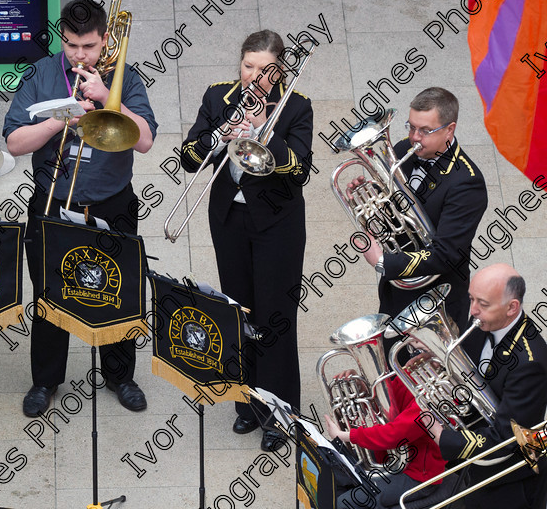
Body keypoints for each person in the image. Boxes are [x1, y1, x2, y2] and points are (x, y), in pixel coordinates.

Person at [3, 0, 157, 417]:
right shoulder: (41, 73)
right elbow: (13, 142)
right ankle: (45, 380)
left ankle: (120, 375)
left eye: (88, 46)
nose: (79, 55)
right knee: (49, 290)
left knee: (119, 289)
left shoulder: (126, 77)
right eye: (71, 45)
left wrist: (109, 98)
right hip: (52, 200)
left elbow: (144, 140)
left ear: (105, 40)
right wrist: (61, 120)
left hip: (112, 202)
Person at [180, 30, 313, 452]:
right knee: (239, 309)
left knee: (275, 313)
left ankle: (279, 409)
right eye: (248, 67)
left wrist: (263, 131)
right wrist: (220, 135)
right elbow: (187, 157)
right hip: (229, 217)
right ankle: (248, 401)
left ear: (281, 70)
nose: (254, 77)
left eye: (265, 70)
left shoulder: (297, 106)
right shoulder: (218, 96)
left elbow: (299, 171)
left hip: (278, 222)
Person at [353, 87, 488, 333]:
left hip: (435, 300)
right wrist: (371, 199)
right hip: (397, 288)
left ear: (450, 130)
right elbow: (398, 216)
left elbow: (445, 254)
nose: (415, 137)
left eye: (425, 130)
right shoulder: (405, 150)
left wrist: (383, 261)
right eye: (411, 127)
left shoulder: (467, 182)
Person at [426, 263, 547, 509]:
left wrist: (445, 439)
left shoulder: (529, 364)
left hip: (509, 478)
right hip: (477, 462)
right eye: (472, 299)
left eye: (483, 303)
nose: (473, 310)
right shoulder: (483, 322)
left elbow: (506, 438)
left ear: (512, 307)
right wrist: (437, 360)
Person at [325, 372, 446, 508]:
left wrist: (346, 436)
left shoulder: (436, 393)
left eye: (422, 350)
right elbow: (386, 409)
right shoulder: (410, 374)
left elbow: (395, 434)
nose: (415, 353)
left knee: (346, 504)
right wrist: (364, 390)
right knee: (329, 473)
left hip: (418, 476)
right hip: (391, 457)